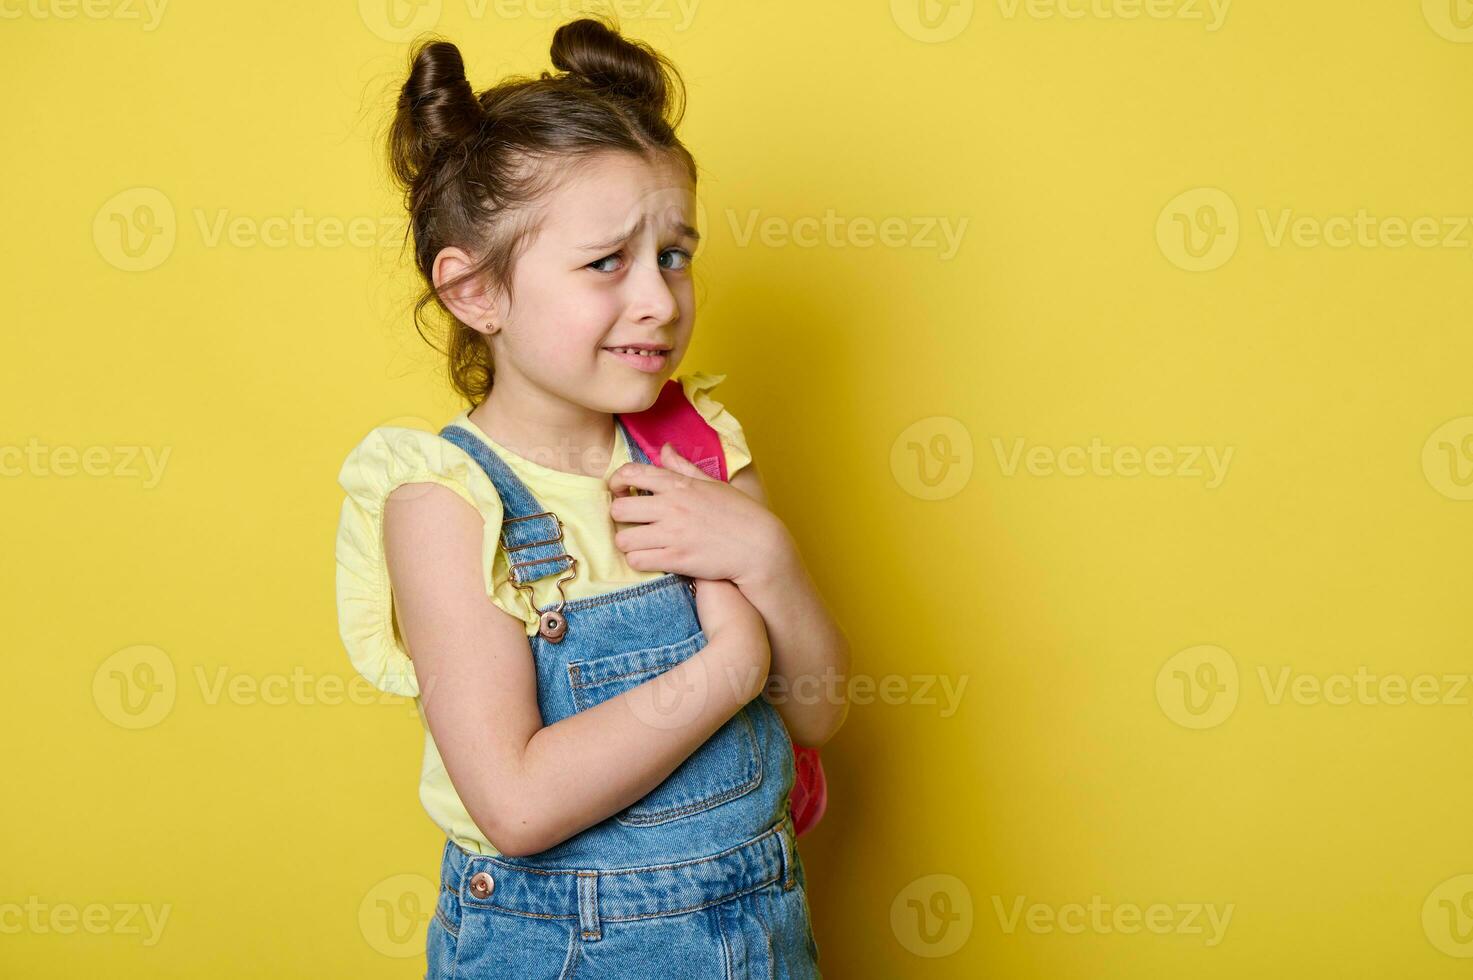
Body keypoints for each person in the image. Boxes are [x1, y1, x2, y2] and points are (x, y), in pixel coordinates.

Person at [334, 15, 849, 976]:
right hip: (559, 945)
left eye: (675, 254)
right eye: (606, 261)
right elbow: (517, 805)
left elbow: (818, 712)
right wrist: (732, 666)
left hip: (760, 935)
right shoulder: (444, 503)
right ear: (475, 291)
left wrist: (766, 558)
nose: (659, 298)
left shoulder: (699, 449)